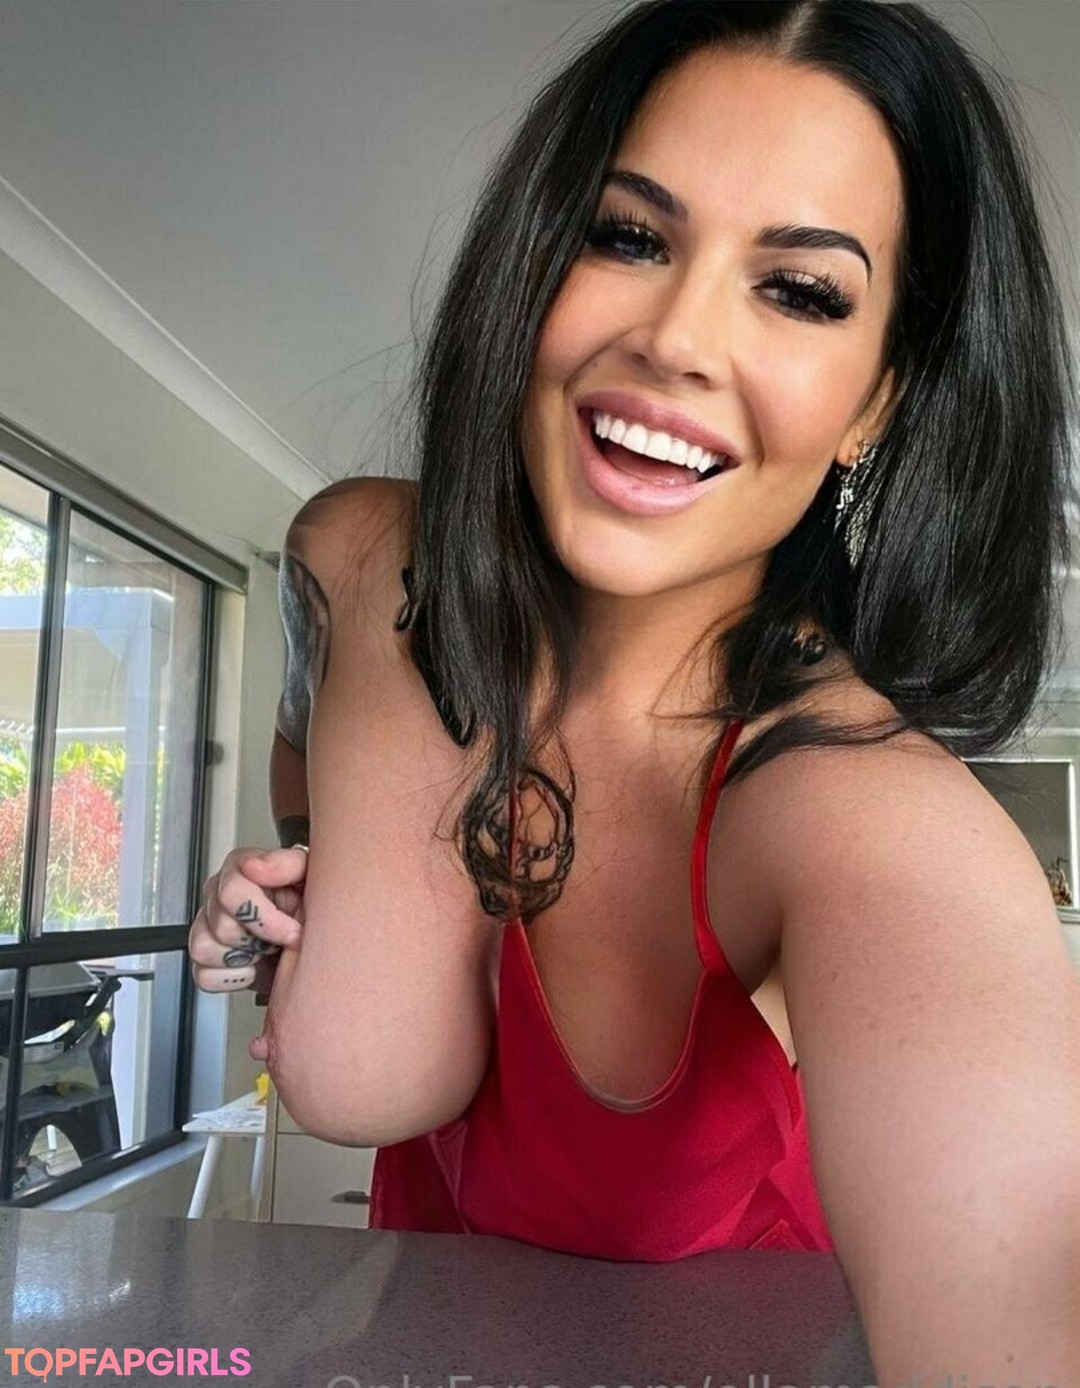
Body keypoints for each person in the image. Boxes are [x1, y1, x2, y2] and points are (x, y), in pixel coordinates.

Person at [189, 0, 1080, 1381]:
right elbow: (311, 757)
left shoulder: (862, 817)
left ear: (874, 403)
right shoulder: (362, 564)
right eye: (629, 236)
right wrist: (303, 885)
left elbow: (1015, 1295)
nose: (677, 338)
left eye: (801, 291)